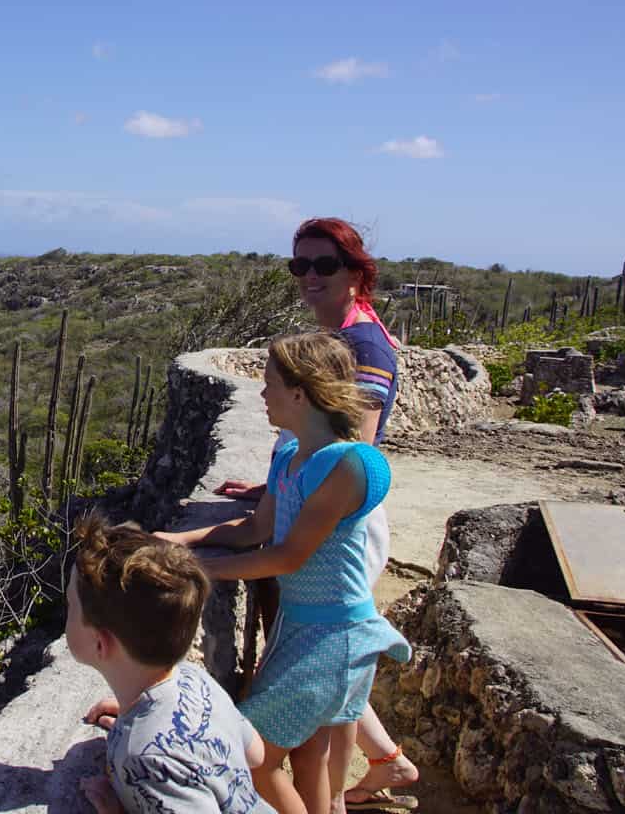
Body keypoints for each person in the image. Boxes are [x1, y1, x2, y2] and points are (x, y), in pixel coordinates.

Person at [213, 218, 417, 810]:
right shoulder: (347, 334)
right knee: (325, 722)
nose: (308, 277)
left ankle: (378, 766)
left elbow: (355, 445)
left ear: (356, 273)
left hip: (336, 537)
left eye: (323, 265)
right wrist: (277, 484)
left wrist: (289, 488)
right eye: (299, 265)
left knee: (294, 727)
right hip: (320, 542)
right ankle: (369, 773)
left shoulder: (365, 346)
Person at [159, 333, 411, 814]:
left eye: (269, 383)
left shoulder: (350, 464)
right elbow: (257, 527)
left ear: (300, 393)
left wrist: (203, 571)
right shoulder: (289, 459)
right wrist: (183, 540)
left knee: (250, 756)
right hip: (300, 627)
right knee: (307, 753)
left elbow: (289, 556)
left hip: (334, 635)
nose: (261, 393)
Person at [66, 513, 275, 814]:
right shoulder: (194, 680)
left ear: (101, 643)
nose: (68, 615)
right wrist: (137, 714)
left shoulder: (144, 757)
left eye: (72, 607)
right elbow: (255, 753)